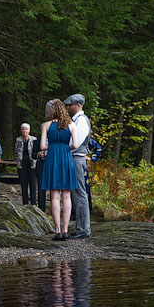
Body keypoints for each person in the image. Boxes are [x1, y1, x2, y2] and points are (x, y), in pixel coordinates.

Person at [40, 100, 78, 240]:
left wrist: (54, 147)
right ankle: (65, 229)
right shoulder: (71, 125)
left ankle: (57, 231)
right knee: (66, 195)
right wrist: (65, 148)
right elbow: (75, 144)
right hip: (67, 159)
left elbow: (42, 146)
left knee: (54, 195)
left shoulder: (45, 125)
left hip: (52, 159)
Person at [64, 93, 92, 239]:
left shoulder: (81, 121)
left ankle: (83, 230)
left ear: (79, 105)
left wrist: (60, 148)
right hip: (75, 158)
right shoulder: (76, 120)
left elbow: (75, 143)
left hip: (77, 159)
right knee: (77, 194)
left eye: (71, 105)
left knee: (80, 194)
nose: (68, 107)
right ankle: (82, 228)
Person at [15, 123, 37, 205]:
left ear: (29, 130)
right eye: (23, 129)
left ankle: (34, 203)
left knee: (33, 183)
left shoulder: (34, 139)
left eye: (26, 129)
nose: (25, 131)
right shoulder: (18, 140)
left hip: (32, 164)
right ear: (21, 130)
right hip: (22, 163)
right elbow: (16, 150)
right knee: (23, 183)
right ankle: (25, 203)